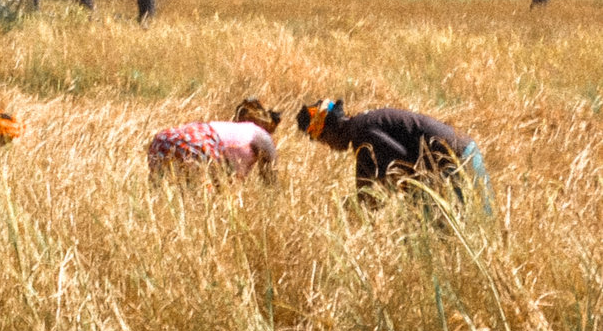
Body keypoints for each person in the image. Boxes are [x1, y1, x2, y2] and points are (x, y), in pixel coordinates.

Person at [296, 99, 489, 210]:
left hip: (457, 159)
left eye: (321, 138)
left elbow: (405, 164)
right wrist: (360, 205)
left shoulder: (363, 131)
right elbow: (365, 185)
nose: (327, 146)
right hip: (461, 153)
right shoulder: (360, 132)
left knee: (449, 230)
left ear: (332, 128)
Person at [146, 99, 280, 181]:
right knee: (200, 201)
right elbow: (271, 185)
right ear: (269, 125)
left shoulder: (230, 129)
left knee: (163, 192)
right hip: (198, 143)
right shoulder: (263, 137)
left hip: (163, 139)